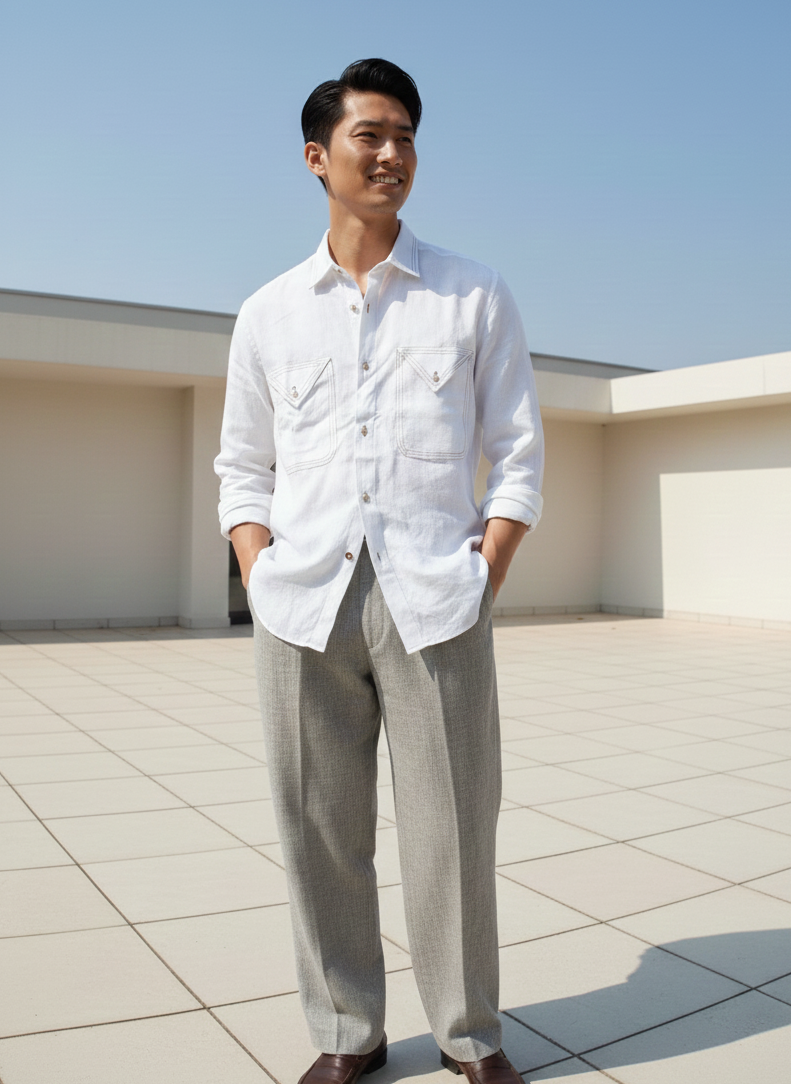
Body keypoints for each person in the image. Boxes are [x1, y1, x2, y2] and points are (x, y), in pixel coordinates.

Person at [215, 58, 544, 1084]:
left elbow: (518, 455)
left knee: (451, 830)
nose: (392, 153)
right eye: (370, 135)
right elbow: (241, 466)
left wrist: (480, 574)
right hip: (303, 602)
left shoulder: (471, 294)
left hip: (433, 598)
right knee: (317, 828)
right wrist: (259, 571)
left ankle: (468, 1033)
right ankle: (346, 1031)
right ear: (317, 158)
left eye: (404, 135)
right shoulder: (268, 313)